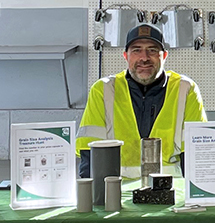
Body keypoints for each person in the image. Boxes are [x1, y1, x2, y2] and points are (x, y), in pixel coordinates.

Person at [76, 23, 206, 178]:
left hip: (171, 194)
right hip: (118, 193)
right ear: (126, 56)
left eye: (152, 50)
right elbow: (89, 152)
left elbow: (196, 153)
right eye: (136, 50)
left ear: (164, 56)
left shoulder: (186, 89)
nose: (144, 58)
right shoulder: (103, 90)